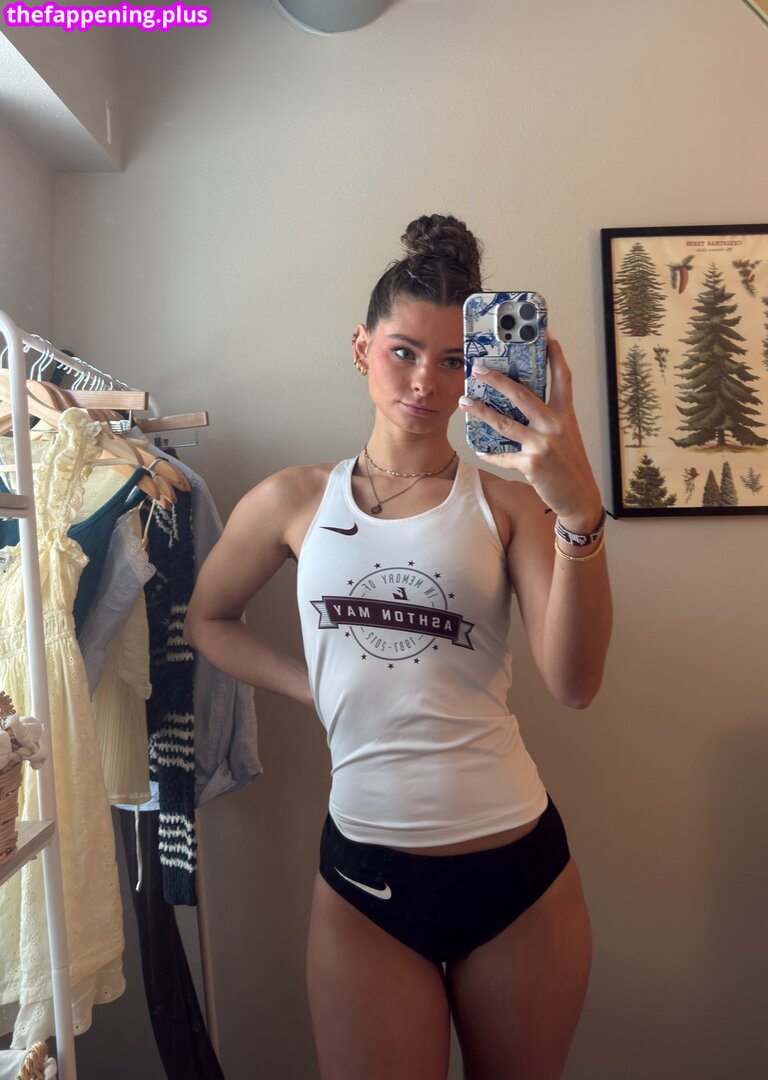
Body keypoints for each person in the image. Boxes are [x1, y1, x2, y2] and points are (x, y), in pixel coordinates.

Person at [184, 213, 612, 1080]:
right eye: (403, 352)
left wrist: (579, 514)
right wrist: (313, 685)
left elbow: (574, 684)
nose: (425, 381)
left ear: (478, 370)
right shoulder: (292, 501)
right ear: (361, 348)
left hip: (518, 877)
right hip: (365, 885)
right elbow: (209, 621)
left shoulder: (508, 502)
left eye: (454, 361)